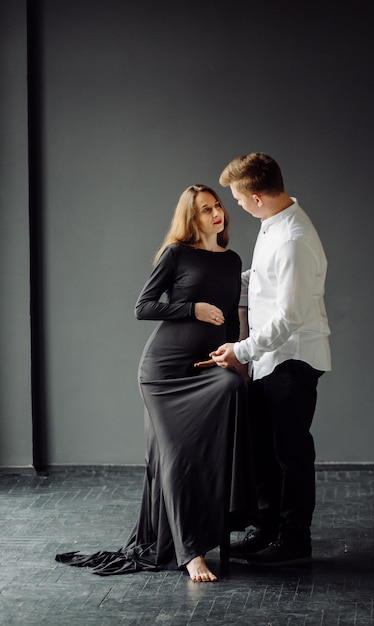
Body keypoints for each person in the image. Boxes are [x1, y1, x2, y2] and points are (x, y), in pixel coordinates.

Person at [56, 184, 255, 582]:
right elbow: (143, 306)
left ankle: (228, 521)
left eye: (218, 206)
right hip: (164, 372)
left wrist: (237, 356)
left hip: (206, 368)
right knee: (177, 459)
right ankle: (190, 552)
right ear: (191, 218)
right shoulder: (176, 254)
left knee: (235, 395)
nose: (216, 214)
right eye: (205, 210)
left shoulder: (232, 261)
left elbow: (234, 320)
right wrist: (191, 308)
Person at [210, 153, 331, 566]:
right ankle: (267, 529)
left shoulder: (294, 238)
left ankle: (295, 540)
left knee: (291, 452)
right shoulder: (272, 224)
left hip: (292, 360)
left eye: (239, 199)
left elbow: (290, 316)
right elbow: (261, 279)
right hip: (270, 358)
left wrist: (240, 350)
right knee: (263, 446)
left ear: (257, 196)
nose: (237, 206)